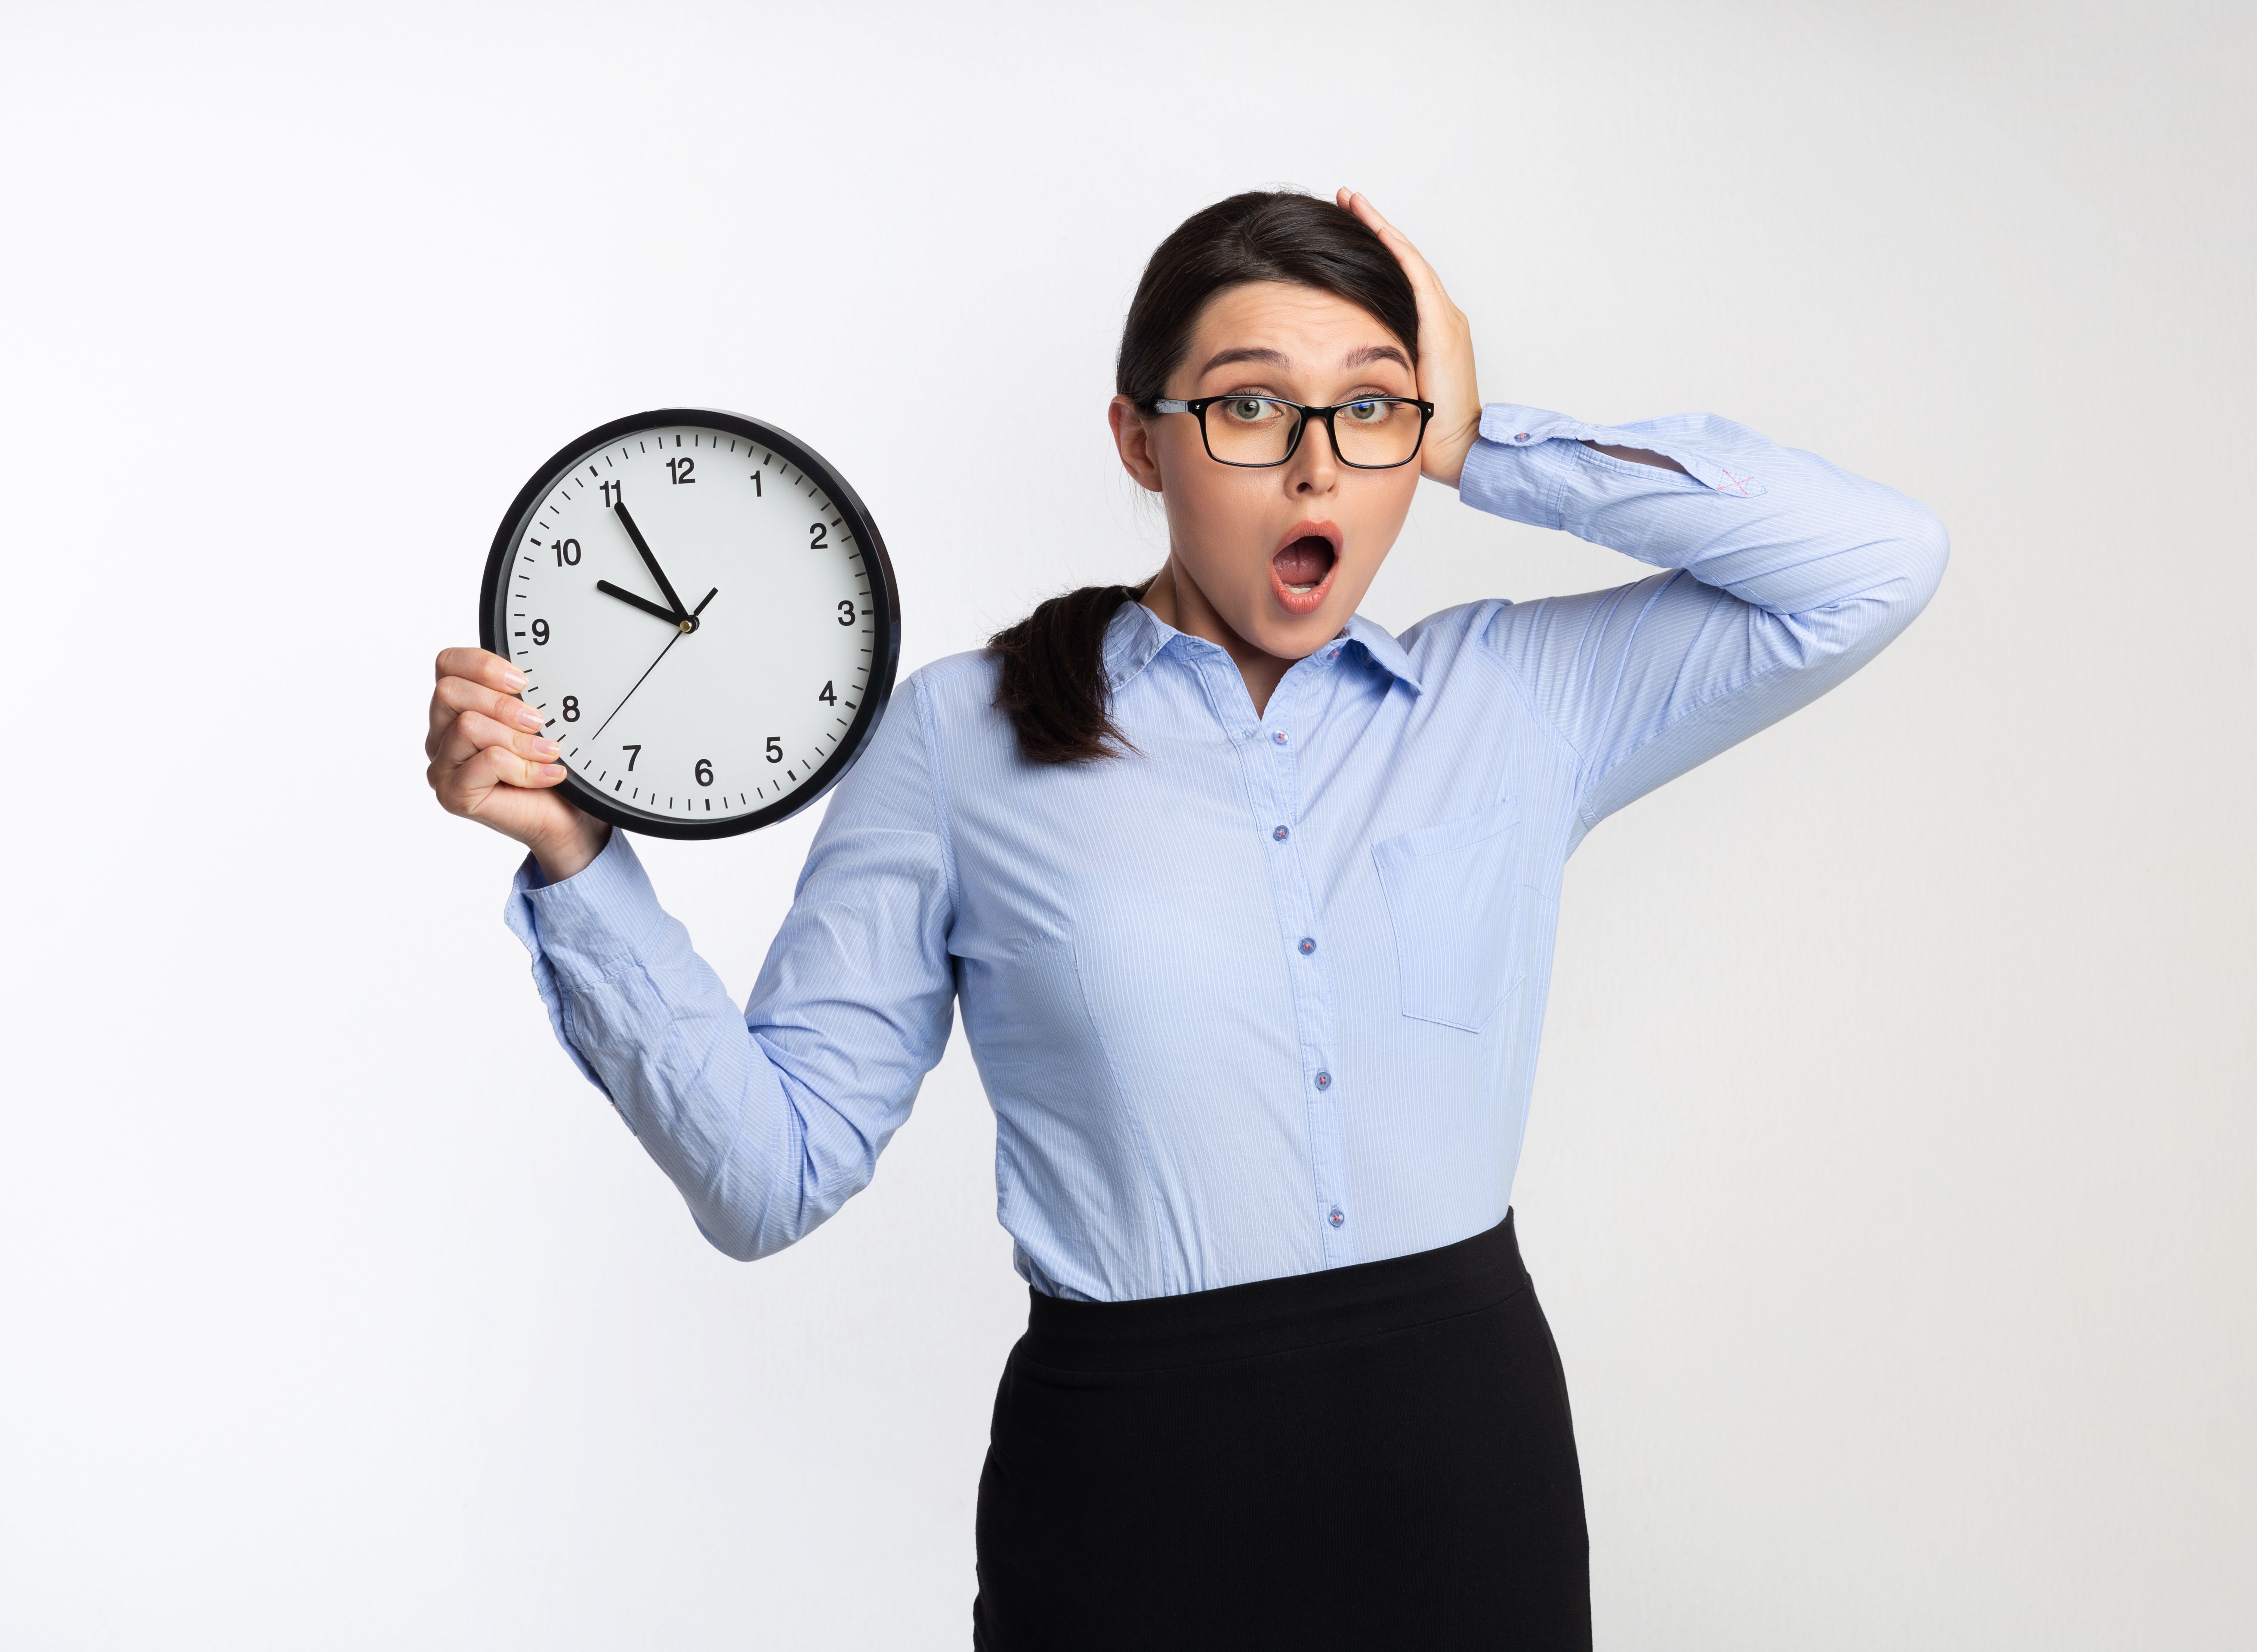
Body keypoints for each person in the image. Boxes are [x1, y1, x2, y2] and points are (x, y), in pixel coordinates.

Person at [425, 187, 1947, 1649]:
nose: (1316, 471)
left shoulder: (1513, 705)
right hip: (1134, 1509)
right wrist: (578, 855)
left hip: (1470, 1477)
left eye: (1371, 408)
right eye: (1247, 406)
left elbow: (1875, 562)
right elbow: (772, 1175)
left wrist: (1488, 443)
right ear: (1139, 442)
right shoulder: (961, 741)